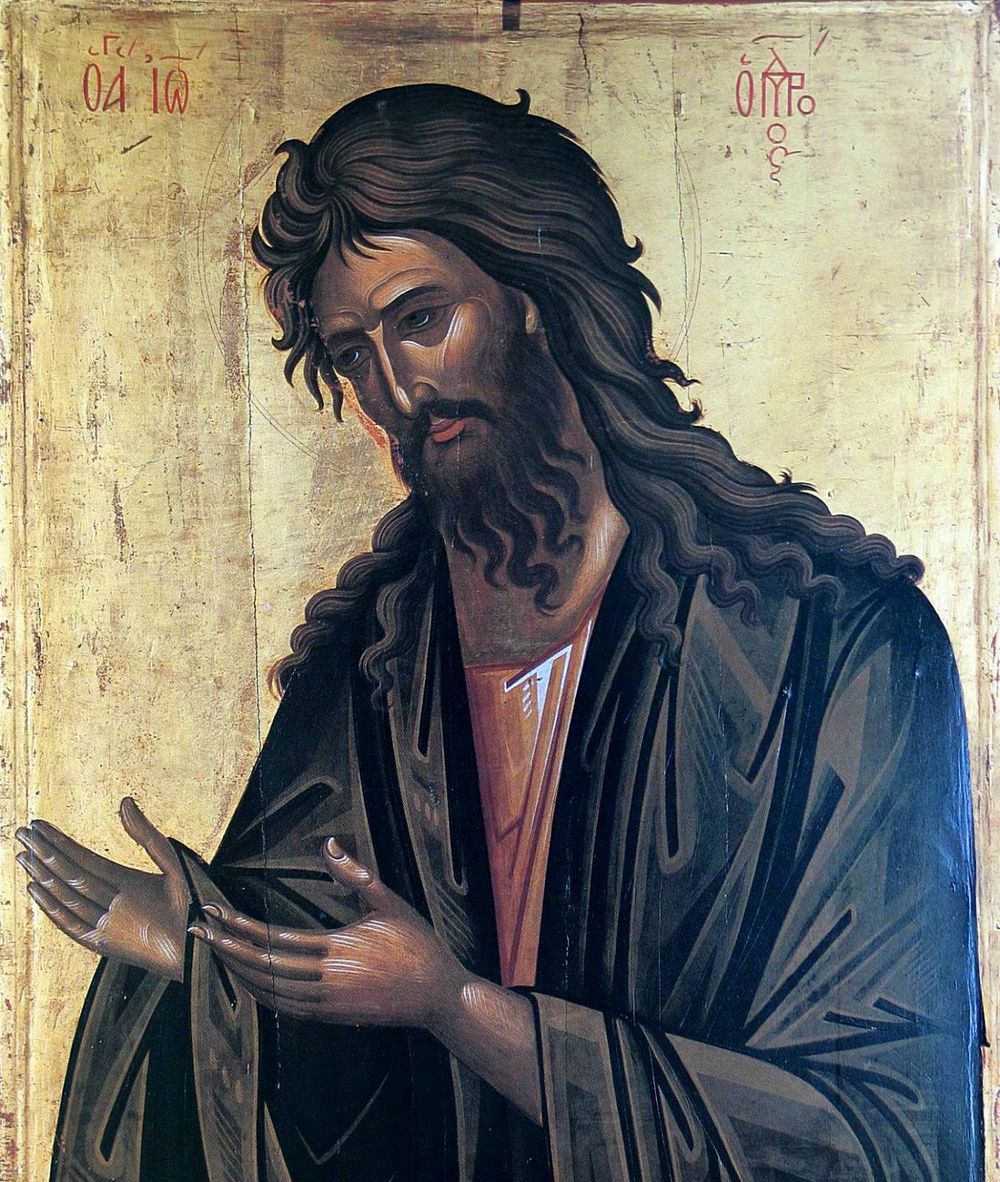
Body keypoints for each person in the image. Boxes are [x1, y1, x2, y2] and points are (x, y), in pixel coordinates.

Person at [17, 84, 983, 1181]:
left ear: (537, 292)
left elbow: (890, 1132)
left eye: (422, 320)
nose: (398, 392)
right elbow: (321, 1009)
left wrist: (457, 1006)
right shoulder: (381, 664)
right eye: (353, 355)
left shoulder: (833, 650)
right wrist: (200, 950)